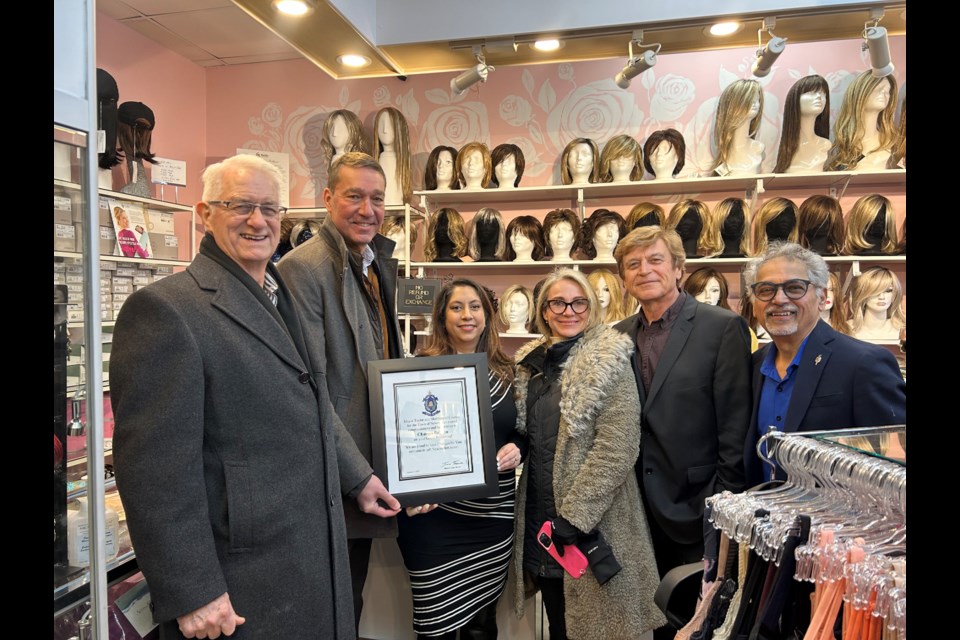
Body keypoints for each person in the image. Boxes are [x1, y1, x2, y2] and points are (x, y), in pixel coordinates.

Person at [111, 154, 354, 638]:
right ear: (205, 213)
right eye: (240, 205)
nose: (258, 220)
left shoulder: (281, 292)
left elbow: (310, 406)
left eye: (270, 208)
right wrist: (193, 588)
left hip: (308, 558)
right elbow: (154, 469)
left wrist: (357, 478)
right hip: (239, 581)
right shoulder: (166, 309)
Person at [277, 151, 405, 632]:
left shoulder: (372, 263)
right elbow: (310, 387)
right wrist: (358, 475)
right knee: (333, 607)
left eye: (376, 198)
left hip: (365, 471)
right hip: (335, 481)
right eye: (354, 196)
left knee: (350, 599)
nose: (367, 209)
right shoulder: (304, 269)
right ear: (328, 198)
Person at [512, 268, 666, 640]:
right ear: (544, 310)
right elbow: (526, 433)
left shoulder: (608, 359)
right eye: (558, 303)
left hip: (593, 521)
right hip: (541, 519)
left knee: (597, 625)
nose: (569, 310)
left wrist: (576, 517)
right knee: (558, 620)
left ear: (590, 307)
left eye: (578, 302)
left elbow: (618, 445)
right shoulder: (532, 365)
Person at [613, 227, 751, 639]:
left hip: (699, 509)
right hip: (637, 512)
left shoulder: (722, 328)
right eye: (633, 264)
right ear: (624, 277)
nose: (645, 270)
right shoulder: (617, 336)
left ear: (678, 268)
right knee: (652, 620)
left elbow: (734, 424)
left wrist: (722, 508)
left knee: (700, 623)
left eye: (655, 260)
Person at [397, 279, 524, 639]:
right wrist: (411, 493)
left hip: (491, 518)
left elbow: (521, 432)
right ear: (442, 316)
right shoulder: (416, 370)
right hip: (432, 517)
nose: (466, 315)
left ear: (487, 316)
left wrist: (518, 448)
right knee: (434, 625)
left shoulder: (509, 371)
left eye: (475, 307)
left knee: (481, 626)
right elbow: (401, 442)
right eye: (456, 307)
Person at [742, 242, 906, 485]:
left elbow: (895, 465)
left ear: (822, 297)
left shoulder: (864, 363)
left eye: (795, 288)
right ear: (754, 302)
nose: (778, 299)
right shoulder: (755, 365)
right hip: (764, 514)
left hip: (838, 519)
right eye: (766, 290)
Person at [824, 71, 898, 171]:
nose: (884, 94)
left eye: (887, 91)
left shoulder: (894, 143)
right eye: (879, 89)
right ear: (862, 91)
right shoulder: (842, 146)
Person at [773, 75, 831, 174]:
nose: (818, 97)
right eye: (811, 92)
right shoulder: (788, 149)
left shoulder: (825, 146)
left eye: (823, 93)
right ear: (794, 99)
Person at [710, 79, 765, 176]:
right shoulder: (726, 157)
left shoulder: (758, 148)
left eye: (757, 100)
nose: (755, 104)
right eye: (749, 99)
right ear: (732, 105)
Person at [846, 266, 905, 341]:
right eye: (875, 291)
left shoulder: (901, 330)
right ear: (862, 294)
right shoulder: (846, 328)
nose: (882, 297)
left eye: (888, 291)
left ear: (895, 294)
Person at [373, 106, 412, 205]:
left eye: (390, 125)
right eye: (381, 124)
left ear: (399, 129)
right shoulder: (375, 163)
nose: (385, 130)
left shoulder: (401, 164)